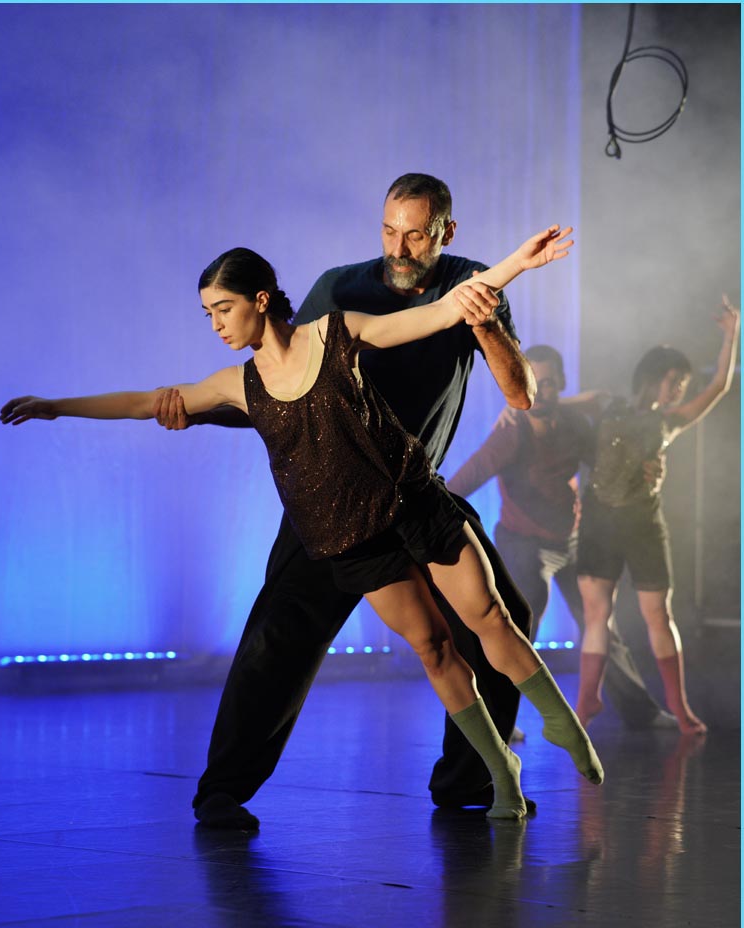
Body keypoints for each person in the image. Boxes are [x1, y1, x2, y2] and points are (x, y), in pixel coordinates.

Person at [1, 230, 605, 822]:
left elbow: (442, 312)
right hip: (349, 534)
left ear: (260, 299)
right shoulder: (238, 384)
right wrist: (57, 407)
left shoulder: (337, 331)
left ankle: (555, 729)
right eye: (208, 313)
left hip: (413, 501)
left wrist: (517, 263)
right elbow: (146, 401)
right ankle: (499, 769)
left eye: (223, 308)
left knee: (494, 615)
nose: (215, 324)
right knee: (429, 647)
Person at [153, 173, 542, 827]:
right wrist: (196, 411)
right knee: (280, 633)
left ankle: (471, 780)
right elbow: (282, 383)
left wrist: (486, 325)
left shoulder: (470, 284)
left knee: (505, 619)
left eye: (415, 235)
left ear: (446, 232)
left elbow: (520, 393)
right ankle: (222, 790)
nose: (398, 247)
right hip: (330, 499)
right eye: (389, 231)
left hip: (415, 497)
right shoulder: (341, 289)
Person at [447, 344, 677, 730]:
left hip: (570, 540)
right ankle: (498, 721)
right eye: (534, 382)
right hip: (524, 543)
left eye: (550, 383)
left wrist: (649, 468)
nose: (541, 392)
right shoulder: (512, 431)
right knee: (518, 628)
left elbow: (611, 458)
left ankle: (642, 712)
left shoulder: (573, 425)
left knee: (600, 623)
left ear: (563, 384)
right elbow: (468, 477)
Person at [575, 296, 740, 734]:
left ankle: (679, 707)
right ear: (651, 376)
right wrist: (519, 410)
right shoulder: (606, 404)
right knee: (597, 616)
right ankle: (586, 702)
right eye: (674, 380)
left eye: (683, 382)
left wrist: (732, 334)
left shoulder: (669, 421)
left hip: (643, 524)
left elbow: (719, 387)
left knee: (658, 614)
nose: (679, 388)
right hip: (598, 521)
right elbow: (553, 406)